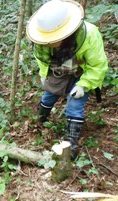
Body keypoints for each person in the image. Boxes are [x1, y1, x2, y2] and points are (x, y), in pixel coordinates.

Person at [26, 0, 108, 160]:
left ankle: (71, 143)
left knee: (75, 105)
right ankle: (40, 120)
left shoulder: (89, 34)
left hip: (82, 72)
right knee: (48, 96)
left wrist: (84, 85)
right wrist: (44, 74)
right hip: (58, 69)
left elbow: (98, 65)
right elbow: (42, 59)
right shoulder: (42, 37)